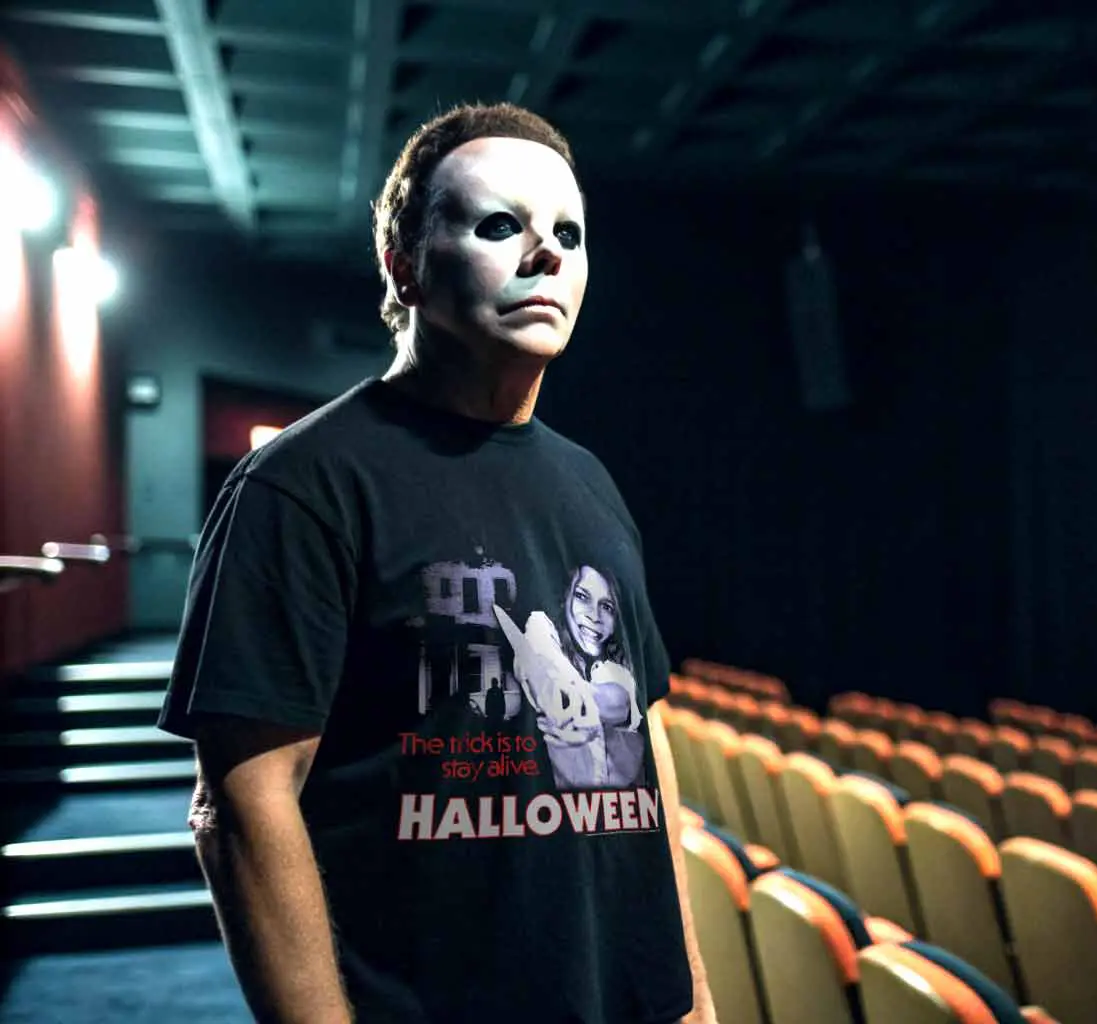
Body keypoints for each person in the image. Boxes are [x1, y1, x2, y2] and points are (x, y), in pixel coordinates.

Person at [156, 101, 716, 1023]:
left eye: (569, 233)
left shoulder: (592, 484)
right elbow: (243, 807)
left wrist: (690, 992)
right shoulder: (300, 484)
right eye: (501, 225)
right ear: (403, 265)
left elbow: (644, 760)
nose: (547, 254)